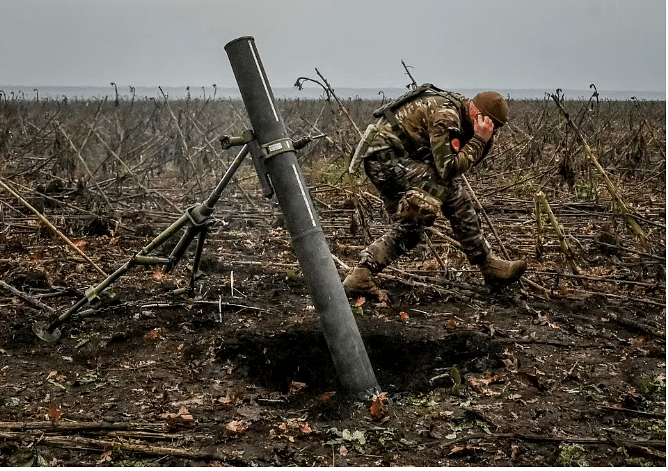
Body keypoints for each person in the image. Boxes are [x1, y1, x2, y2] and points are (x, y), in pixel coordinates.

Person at [343, 84, 526, 298]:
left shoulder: (462, 111)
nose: (492, 131)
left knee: (412, 229)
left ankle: (361, 276)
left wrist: (482, 141)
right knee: (449, 191)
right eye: (491, 125)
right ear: (478, 114)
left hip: (399, 159)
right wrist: (478, 140)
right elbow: (447, 169)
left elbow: (458, 164)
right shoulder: (447, 116)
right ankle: (488, 264)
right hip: (385, 160)